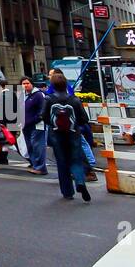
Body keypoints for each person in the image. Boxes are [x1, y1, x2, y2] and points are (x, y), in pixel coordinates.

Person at [43, 70, 91, 201]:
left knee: (62, 162)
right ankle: (80, 182)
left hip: (56, 134)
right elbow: (84, 118)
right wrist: (75, 125)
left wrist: (52, 125)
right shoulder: (74, 100)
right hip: (73, 133)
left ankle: (67, 192)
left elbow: (44, 116)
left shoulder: (49, 99)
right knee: (76, 159)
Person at [21, 77, 48, 175]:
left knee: (37, 146)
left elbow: (42, 110)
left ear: (32, 84)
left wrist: (36, 119)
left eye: (27, 83)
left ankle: (41, 167)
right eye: (23, 84)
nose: (25, 85)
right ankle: (35, 165)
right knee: (30, 146)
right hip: (26, 125)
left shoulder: (38, 95)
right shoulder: (23, 95)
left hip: (37, 125)